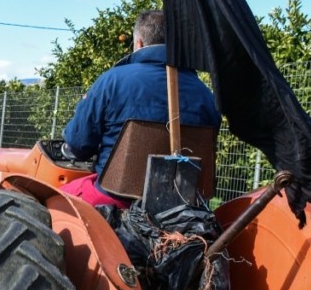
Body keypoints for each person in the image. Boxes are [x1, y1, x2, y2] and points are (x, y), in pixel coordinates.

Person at [61, 10, 220, 208]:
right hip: (180, 207)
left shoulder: (112, 80)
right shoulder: (206, 94)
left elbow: (78, 146)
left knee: (51, 198)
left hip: (114, 201)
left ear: (139, 43)